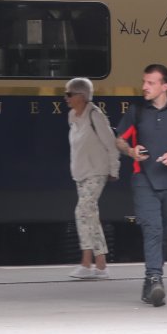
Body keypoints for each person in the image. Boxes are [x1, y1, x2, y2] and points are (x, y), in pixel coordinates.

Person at [114, 64, 167, 307]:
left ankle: (149, 282)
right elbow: (119, 140)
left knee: (166, 231)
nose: (144, 87)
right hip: (144, 180)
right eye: (144, 82)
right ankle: (155, 279)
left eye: (150, 83)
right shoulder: (137, 112)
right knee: (152, 228)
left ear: (164, 86)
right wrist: (131, 151)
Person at [64, 76, 119, 279]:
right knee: (91, 216)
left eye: (69, 94)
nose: (66, 98)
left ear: (82, 96)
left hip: (97, 171)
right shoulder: (72, 116)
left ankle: (86, 263)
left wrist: (114, 169)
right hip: (81, 173)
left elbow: (111, 144)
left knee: (82, 212)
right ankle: (101, 266)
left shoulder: (95, 115)